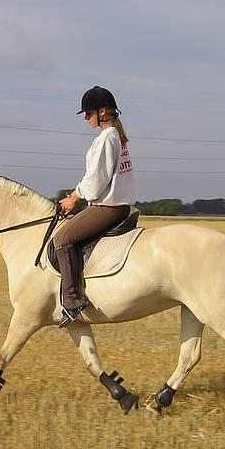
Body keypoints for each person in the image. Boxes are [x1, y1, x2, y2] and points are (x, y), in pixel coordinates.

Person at [54, 86, 136, 328]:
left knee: (62, 239)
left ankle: (73, 301)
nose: (86, 119)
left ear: (102, 112)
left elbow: (95, 183)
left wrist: (74, 198)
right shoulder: (117, 138)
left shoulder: (106, 139)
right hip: (118, 205)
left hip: (108, 207)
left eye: (88, 114)